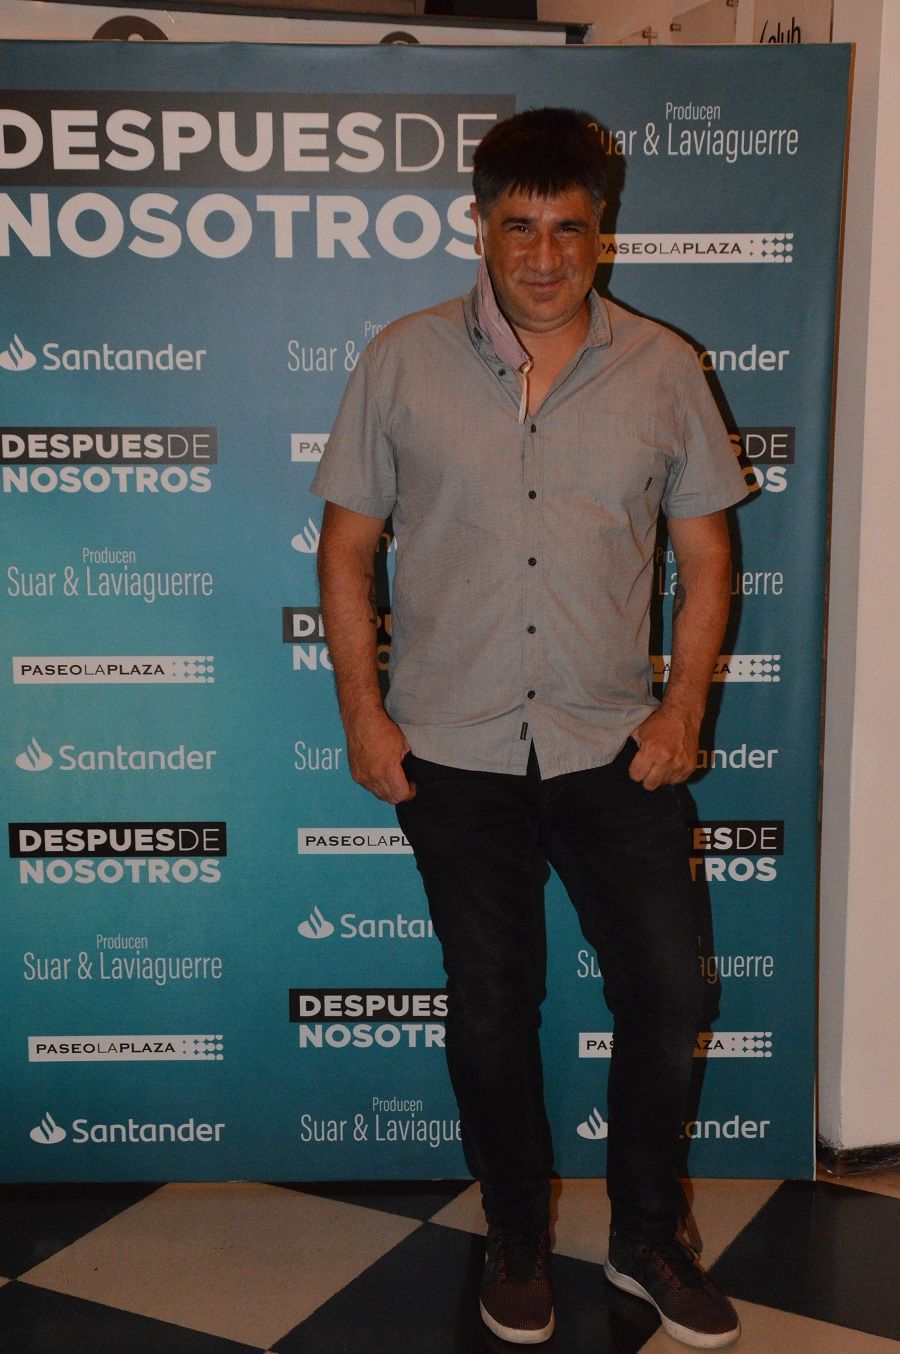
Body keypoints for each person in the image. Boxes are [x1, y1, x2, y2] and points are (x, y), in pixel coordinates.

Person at [312, 107, 747, 1349]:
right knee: (493, 1007)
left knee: (666, 990)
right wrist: (363, 712)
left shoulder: (664, 367)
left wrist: (684, 706)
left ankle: (648, 1235)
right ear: (481, 226)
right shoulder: (402, 359)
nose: (544, 256)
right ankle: (515, 1232)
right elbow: (345, 551)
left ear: (602, 232)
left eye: (569, 229)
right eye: (520, 227)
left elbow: (708, 561)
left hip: (617, 746)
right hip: (453, 747)